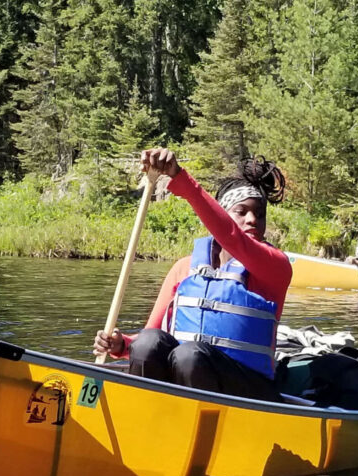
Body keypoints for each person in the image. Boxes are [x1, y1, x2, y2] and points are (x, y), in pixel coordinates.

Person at [92, 148, 291, 401]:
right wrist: (121, 346)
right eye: (241, 212)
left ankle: (203, 430)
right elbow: (147, 338)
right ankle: (145, 417)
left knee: (190, 355)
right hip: (192, 372)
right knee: (149, 342)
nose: (253, 220)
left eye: (260, 214)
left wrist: (178, 176)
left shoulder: (275, 267)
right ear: (224, 214)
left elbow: (232, 237)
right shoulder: (184, 269)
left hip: (250, 391)